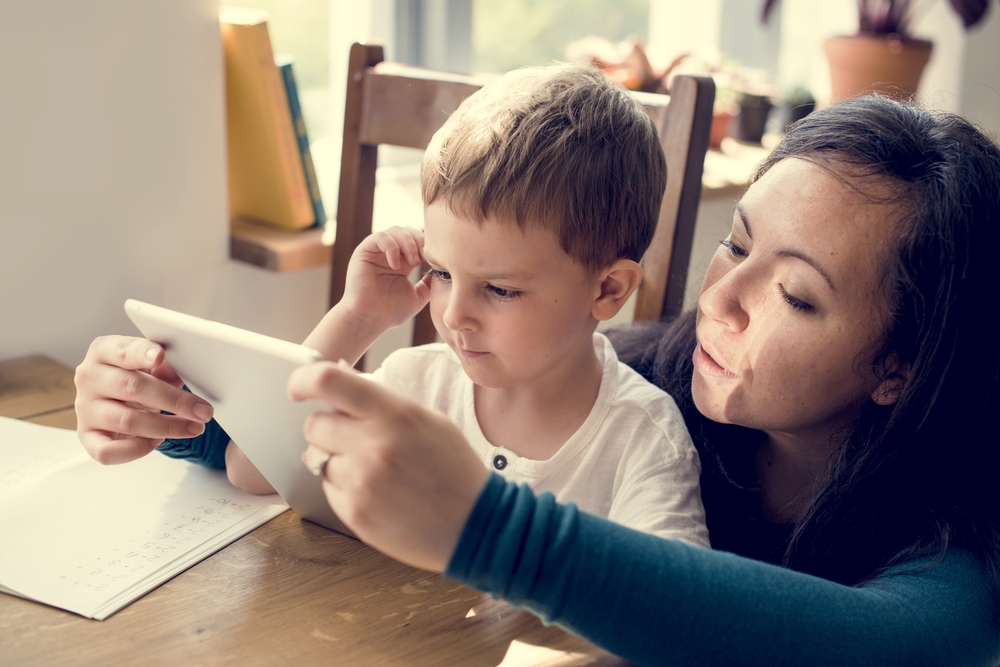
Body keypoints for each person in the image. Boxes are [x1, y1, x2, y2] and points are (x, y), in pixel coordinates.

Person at [292, 95, 1000, 666]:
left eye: (794, 295)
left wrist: (486, 526)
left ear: (898, 368)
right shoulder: (634, 379)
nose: (718, 301)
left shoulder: (948, 547)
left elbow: (898, 644)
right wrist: (202, 417)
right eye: (737, 244)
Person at [74, 63, 709, 546]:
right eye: (438, 271)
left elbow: (675, 619)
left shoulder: (642, 437)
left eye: (501, 289)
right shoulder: (414, 383)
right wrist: (359, 319)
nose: (453, 315)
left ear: (608, 290)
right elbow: (252, 470)